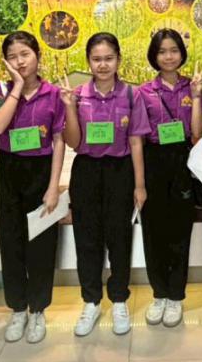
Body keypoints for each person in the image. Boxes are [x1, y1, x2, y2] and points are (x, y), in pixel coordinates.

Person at [61, 32, 150, 337]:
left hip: (120, 172)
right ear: (88, 62)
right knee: (87, 239)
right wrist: (70, 107)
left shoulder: (131, 95)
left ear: (118, 60)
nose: (102, 65)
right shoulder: (77, 95)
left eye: (108, 58)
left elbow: (136, 142)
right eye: (96, 59)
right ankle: (91, 301)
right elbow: (73, 142)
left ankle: (120, 299)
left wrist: (139, 185)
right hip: (86, 171)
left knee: (119, 237)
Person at [0, 32, 65, 344]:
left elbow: (58, 140)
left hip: (41, 172)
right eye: (13, 56)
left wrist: (54, 186)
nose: (20, 61)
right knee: (11, 243)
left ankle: (39, 309)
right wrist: (16, 87)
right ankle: (18, 309)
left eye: (25, 54)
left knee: (42, 245)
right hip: (9, 172)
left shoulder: (54, 94)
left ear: (37, 56)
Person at [137, 29, 202, 328]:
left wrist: (196, 95)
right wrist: (140, 183)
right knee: (154, 232)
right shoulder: (144, 92)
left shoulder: (192, 87)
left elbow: (196, 133)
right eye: (162, 51)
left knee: (180, 230)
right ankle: (159, 294)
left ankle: (176, 295)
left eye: (174, 50)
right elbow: (138, 139)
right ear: (154, 56)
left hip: (183, 162)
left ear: (182, 53)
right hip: (154, 162)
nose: (168, 56)